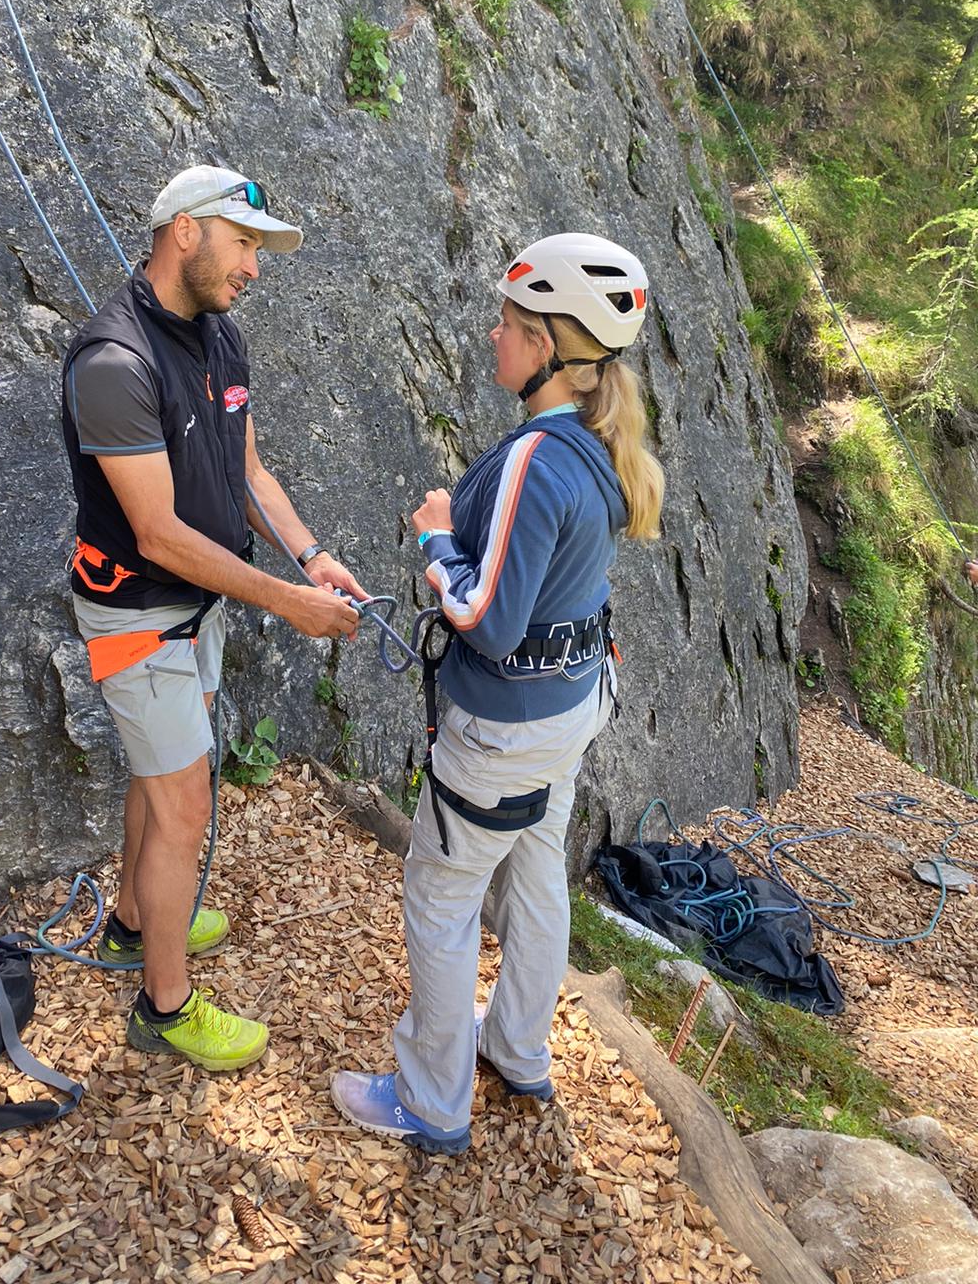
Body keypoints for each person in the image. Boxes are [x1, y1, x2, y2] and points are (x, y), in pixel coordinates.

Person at [331, 232, 665, 1152]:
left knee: (441, 900)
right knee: (537, 869)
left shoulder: (536, 457)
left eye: (512, 324)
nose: (492, 335)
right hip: (570, 709)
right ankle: (517, 1048)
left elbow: (487, 616)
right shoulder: (599, 446)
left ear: (553, 350)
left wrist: (439, 538)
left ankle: (430, 1101)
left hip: (503, 725)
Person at [61, 164, 365, 1071]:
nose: (255, 269)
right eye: (244, 245)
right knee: (185, 809)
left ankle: (131, 921)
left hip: (197, 611)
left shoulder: (220, 341)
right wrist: (287, 601)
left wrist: (310, 555)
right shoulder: (114, 365)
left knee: (162, 784)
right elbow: (156, 534)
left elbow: (249, 473)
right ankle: (164, 1009)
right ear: (185, 231)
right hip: (138, 614)